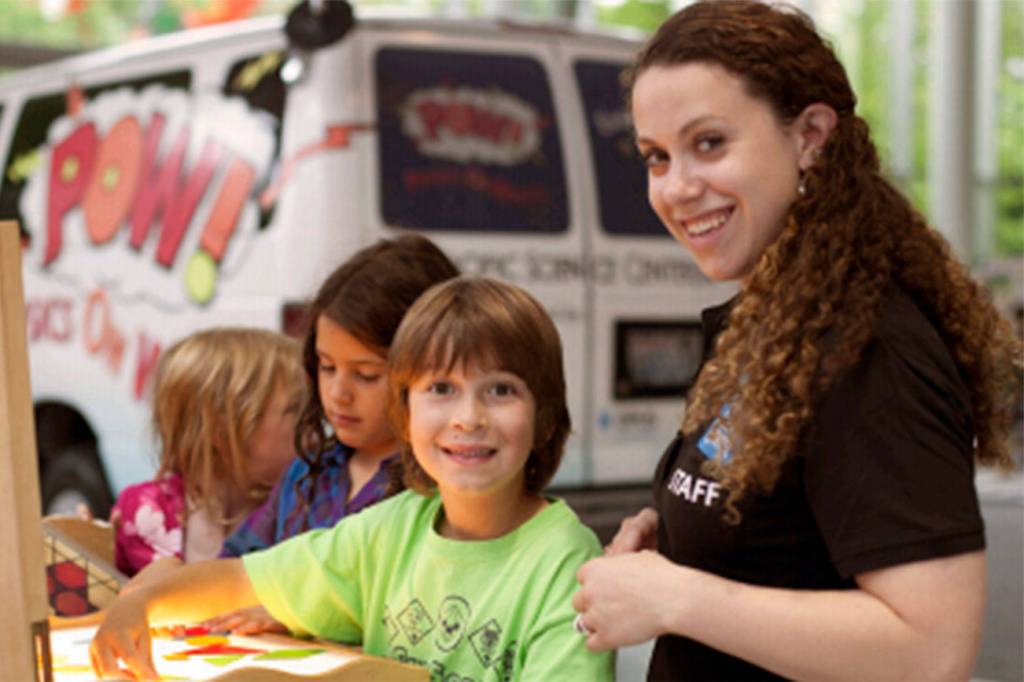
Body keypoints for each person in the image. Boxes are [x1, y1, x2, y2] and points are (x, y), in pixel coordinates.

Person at [571, 2, 1022, 681]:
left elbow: (931, 651)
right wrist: (689, 546)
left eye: (709, 143)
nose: (677, 187)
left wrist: (677, 596)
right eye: (656, 157)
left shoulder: (868, 350)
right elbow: (801, 540)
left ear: (811, 134)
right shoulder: (782, 318)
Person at [89, 276, 615, 681]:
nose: (468, 418)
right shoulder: (387, 531)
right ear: (403, 412)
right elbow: (240, 580)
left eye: (500, 390)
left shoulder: (567, 564)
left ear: (544, 415)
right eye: (441, 389)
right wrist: (140, 604)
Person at [206, 233, 459, 634]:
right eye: (326, 367)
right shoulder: (309, 472)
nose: (339, 393)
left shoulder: (442, 491)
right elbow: (239, 564)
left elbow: (427, 618)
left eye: (366, 375)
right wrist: (174, 580)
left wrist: (296, 615)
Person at [111, 327, 304, 582]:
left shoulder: (304, 500)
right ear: (221, 429)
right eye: (295, 408)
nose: (313, 421)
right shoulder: (147, 511)